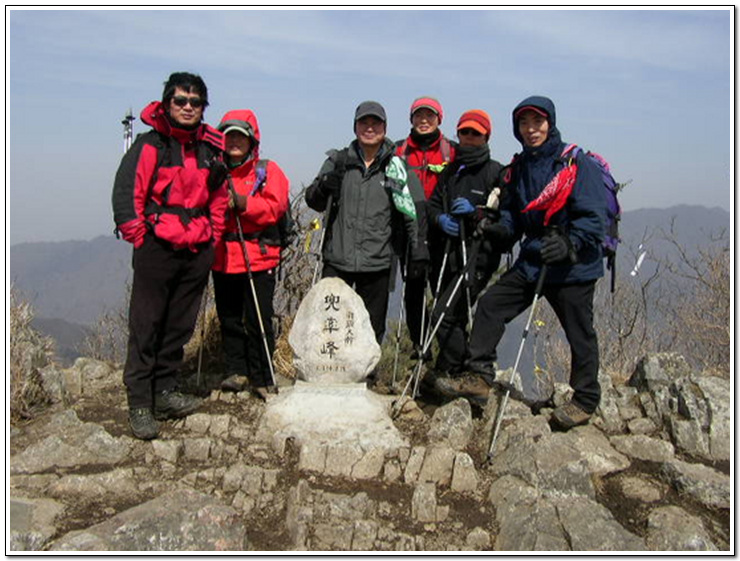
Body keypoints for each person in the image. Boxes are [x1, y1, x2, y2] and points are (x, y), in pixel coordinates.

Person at [437, 95, 606, 429]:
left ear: (550, 123)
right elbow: (515, 215)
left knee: (579, 333)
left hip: (573, 266)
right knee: (491, 305)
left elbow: (593, 218)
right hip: (534, 259)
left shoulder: (574, 162)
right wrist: (498, 229)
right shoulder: (520, 167)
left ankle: (585, 399)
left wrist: (570, 243)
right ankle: (480, 376)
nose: (531, 130)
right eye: (524, 124)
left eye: (537, 123)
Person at [112, 72, 229, 440]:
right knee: (146, 323)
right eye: (180, 101)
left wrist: (212, 236)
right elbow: (126, 194)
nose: (188, 107)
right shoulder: (151, 145)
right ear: (167, 103)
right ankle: (140, 402)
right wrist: (140, 237)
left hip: (196, 248)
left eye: (195, 102)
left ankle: (164, 391)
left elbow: (219, 198)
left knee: (179, 324)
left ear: (203, 108)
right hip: (157, 247)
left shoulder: (211, 150)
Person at [305, 101, 427, 344]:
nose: (369, 128)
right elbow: (314, 200)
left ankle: (366, 377)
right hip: (337, 259)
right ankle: (329, 375)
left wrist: (418, 248)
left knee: (370, 330)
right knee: (329, 324)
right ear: (355, 127)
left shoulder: (395, 167)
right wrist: (323, 186)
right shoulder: (339, 162)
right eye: (364, 122)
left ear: (385, 128)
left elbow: (412, 209)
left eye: (376, 123)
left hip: (377, 261)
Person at [424, 109, 504, 397]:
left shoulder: (496, 172)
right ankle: (452, 373)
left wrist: (476, 213)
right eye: (464, 132)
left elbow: (504, 217)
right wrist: (438, 220)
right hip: (447, 253)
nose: (469, 138)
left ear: (486, 137)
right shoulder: (451, 171)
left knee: (442, 314)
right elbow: (433, 205)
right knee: (453, 314)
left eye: (475, 133)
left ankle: (456, 370)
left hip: (477, 255)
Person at [211, 110, 290, 400]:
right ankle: (236, 370)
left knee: (258, 318)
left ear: (252, 140)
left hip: (257, 255)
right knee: (229, 317)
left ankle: (263, 375)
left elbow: (274, 208)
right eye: (228, 135)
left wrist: (241, 202)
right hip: (222, 256)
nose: (234, 141)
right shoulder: (213, 171)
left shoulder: (268, 171)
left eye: (240, 136)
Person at [395, 97, 456, 357]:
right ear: (411, 119)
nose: (423, 120)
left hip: (443, 231)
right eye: (418, 115)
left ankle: (449, 351)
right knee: (414, 290)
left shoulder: (452, 151)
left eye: (429, 116)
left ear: (439, 119)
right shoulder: (398, 151)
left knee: (444, 291)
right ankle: (421, 346)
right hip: (409, 230)